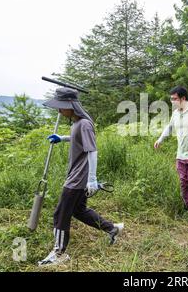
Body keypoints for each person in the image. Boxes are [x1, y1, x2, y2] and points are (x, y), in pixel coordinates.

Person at [38, 87, 124, 266]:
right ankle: (112, 228)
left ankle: (59, 253)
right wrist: (62, 138)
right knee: (78, 210)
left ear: (71, 105)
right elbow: (77, 138)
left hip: (79, 177)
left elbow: (92, 151)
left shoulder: (83, 123)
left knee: (61, 214)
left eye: (61, 107)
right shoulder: (77, 123)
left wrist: (92, 179)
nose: (59, 111)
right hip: (77, 174)